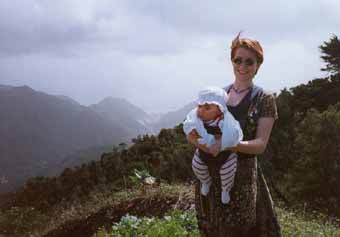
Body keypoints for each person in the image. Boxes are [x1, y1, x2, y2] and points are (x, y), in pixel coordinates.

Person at [186, 32, 281, 236]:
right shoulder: (218, 95)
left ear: (258, 65)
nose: (243, 66)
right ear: (232, 61)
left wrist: (228, 144)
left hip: (241, 179)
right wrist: (196, 140)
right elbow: (198, 124)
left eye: (250, 62)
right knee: (210, 227)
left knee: (239, 229)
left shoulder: (265, 99)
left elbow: (260, 144)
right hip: (209, 174)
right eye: (238, 60)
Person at [182, 87, 243, 204]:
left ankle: (226, 189)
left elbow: (234, 134)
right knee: (197, 166)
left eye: (207, 108)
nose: (201, 111)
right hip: (203, 151)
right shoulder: (196, 117)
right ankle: (206, 181)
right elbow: (188, 123)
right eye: (200, 106)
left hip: (225, 154)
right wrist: (192, 130)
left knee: (228, 171)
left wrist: (220, 143)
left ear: (220, 110)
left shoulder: (225, 121)